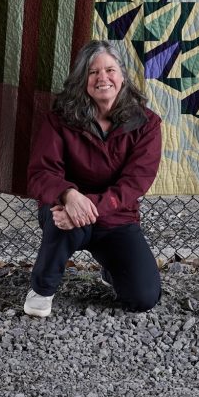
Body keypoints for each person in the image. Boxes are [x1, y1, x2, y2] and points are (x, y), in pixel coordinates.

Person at [23, 40, 163, 317]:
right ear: (81, 80)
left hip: (116, 215)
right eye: (93, 72)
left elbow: (135, 183)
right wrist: (69, 195)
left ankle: (111, 269)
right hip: (65, 211)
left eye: (110, 70)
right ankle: (41, 289)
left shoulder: (146, 123)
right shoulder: (59, 119)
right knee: (62, 221)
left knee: (143, 298)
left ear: (122, 76)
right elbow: (41, 173)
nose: (103, 78)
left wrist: (89, 205)